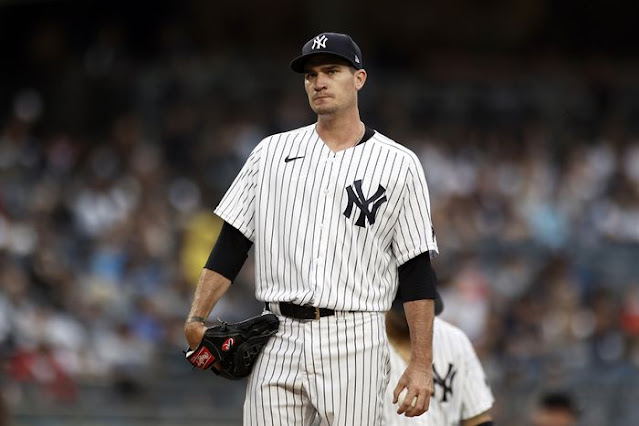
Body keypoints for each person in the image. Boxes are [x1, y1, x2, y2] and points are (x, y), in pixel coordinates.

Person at [184, 32, 440, 425]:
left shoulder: (398, 164)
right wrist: (197, 317)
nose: (318, 82)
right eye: (310, 75)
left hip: (354, 336)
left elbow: (416, 269)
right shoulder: (270, 153)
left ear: (359, 78)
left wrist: (421, 363)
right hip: (277, 333)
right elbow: (232, 243)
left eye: (331, 71)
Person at [384, 293, 495, 425]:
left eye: (423, 309)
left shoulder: (455, 340)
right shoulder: (365, 344)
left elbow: (477, 419)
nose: (413, 317)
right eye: (404, 313)